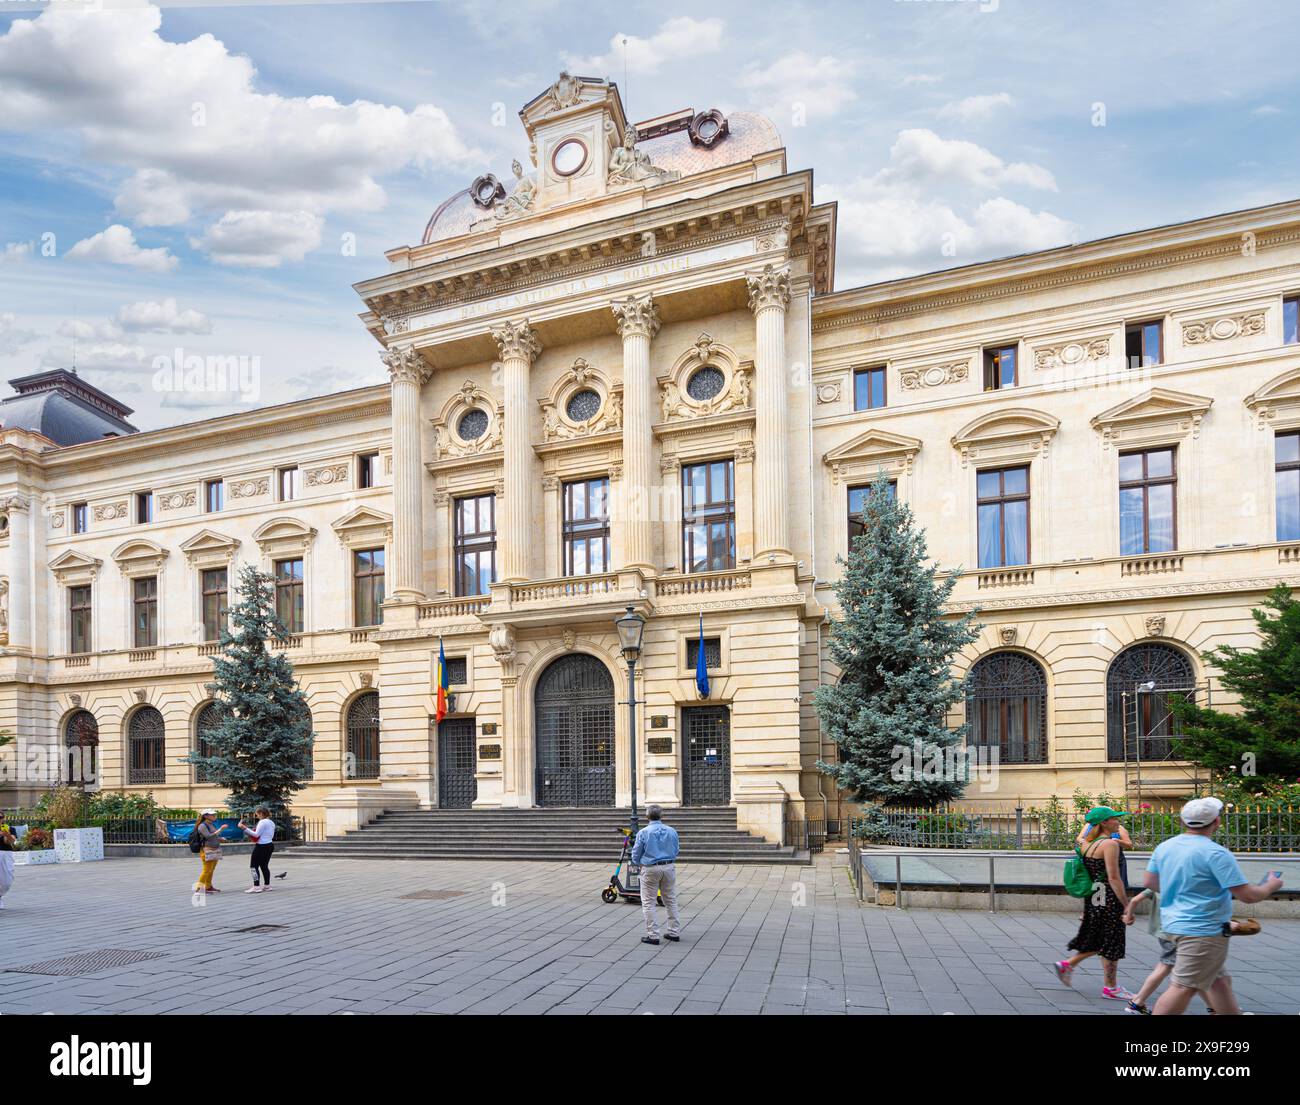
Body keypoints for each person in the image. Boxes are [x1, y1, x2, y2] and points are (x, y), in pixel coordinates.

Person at [1145, 796, 1283, 1016]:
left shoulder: (1165, 847)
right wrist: (1270, 885)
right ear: (1217, 822)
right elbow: (1247, 896)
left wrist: (1182, 890)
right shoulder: (1216, 853)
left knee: (1220, 983)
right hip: (1202, 930)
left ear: (1182, 821)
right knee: (1183, 987)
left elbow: (1150, 883)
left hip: (1174, 924)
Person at [1052, 806, 1135, 1000]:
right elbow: (1114, 878)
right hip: (1109, 900)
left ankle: (1068, 965)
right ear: (1103, 823)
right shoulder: (1110, 845)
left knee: (1100, 940)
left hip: (1093, 899)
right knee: (1112, 943)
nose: (1118, 822)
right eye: (1114, 819)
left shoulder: (1086, 845)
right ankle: (1111, 988)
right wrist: (1126, 904)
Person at [631, 805, 681, 946]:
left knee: (648, 902)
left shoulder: (644, 832)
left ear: (647, 817)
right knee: (670, 899)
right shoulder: (672, 831)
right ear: (661, 816)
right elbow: (677, 849)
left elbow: (635, 853)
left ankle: (653, 935)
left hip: (651, 868)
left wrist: (638, 863)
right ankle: (674, 932)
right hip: (669, 866)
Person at [238, 807, 278, 894]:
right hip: (270, 845)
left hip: (261, 846)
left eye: (257, 814)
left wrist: (244, 827)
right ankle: (267, 885)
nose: (256, 816)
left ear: (261, 813)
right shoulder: (271, 822)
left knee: (253, 866)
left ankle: (256, 886)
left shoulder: (262, 822)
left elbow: (256, 835)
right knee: (264, 866)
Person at [193, 809, 224, 895]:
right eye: (212, 815)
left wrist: (220, 838)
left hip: (215, 849)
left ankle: (208, 886)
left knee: (211, 869)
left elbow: (214, 835)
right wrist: (220, 829)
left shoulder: (210, 824)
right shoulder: (202, 825)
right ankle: (199, 889)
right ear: (206, 816)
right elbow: (208, 836)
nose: (214, 816)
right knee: (206, 870)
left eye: (214, 814)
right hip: (207, 850)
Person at [0, 821, 15, 910]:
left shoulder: (9, 828)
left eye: (1, 817)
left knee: (7, 881)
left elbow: (11, 841)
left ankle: (0, 895)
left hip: (6, 854)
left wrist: (7, 835)